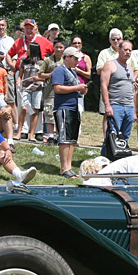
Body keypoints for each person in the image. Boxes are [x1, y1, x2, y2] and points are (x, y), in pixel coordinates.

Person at [7, 18, 52, 138]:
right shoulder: (19, 41)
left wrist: (49, 68)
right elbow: (9, 54)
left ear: (35, 28)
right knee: (24, 104)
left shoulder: (43, 40)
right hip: (23, 75)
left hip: (38, 75)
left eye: (31, 27)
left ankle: (37, 131)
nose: (28, 30)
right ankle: (23, 130)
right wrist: (12, 66)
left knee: (36, 105)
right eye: (26, 28)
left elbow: (54, 53)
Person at [52, 46, 88, 177]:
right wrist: (76, 87)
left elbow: (74, 88)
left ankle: (69, 167)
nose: (77, 61)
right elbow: (58, 88)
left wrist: (82, 90)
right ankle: (64, 168)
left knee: (72, 139)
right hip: (63, 108)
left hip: (74, 107)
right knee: (64, 139)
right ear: (67, 57)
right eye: (75, 58)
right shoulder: (59, 70)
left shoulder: (72, 72)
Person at [99, 39, 137, 157]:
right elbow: (104, 85)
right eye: (125, 50)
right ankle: (104, 160)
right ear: (119, 50)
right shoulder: (110, 65)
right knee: (112, 135)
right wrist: (107, 105)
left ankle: (119, 160)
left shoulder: (130, 68)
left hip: (129, 106)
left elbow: (132, 89)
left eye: (130, 50)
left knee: (124, 138)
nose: (128, 52)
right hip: (115, 105)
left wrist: (135, 110)